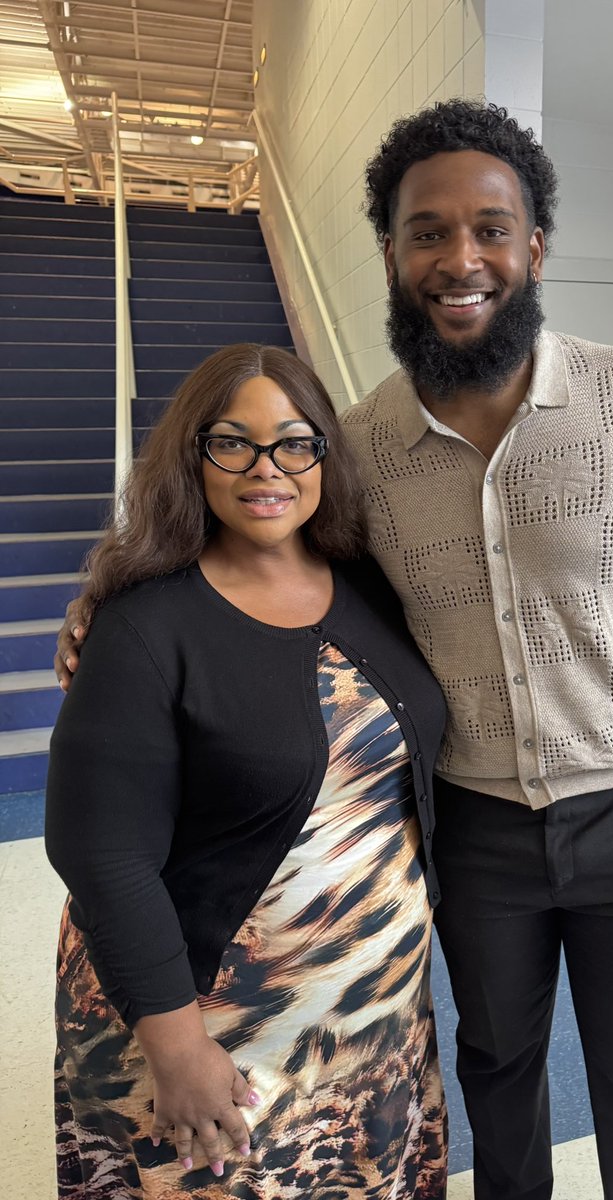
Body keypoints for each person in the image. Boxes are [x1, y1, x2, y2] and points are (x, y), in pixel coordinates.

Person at [58, 101, 613, 1200]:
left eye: (491, 230)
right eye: (428, 233)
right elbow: (275, 557)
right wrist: (120, 595)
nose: (461, 260)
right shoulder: (357, 446)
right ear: (391, 254)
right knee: (496, 1066)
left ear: (534, 247)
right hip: (472, 825)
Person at [46, 344, 448, 1199]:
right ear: (192, 456)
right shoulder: (145, 626)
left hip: (366, 1023)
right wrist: (177, 1047)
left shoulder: (367, 584)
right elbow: (102, 855)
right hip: (210, 1024)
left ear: (325, 456)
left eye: (295, 443)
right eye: (232, 442)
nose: (267, 468)